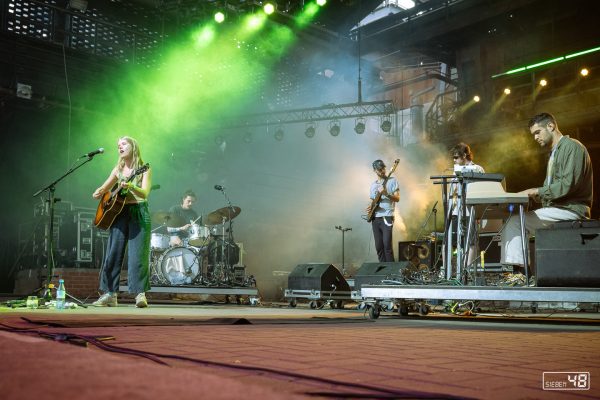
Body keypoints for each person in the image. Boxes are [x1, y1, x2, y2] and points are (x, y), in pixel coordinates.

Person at [501, 112, 593, 273]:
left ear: (550, 126)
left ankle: (520, 275)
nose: (535, 138)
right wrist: (531, 196)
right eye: (533, 135)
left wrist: (536, 191)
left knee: (515, 223)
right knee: (516, 221)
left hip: (571, 210)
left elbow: (568, 185)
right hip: (560, 209)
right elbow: (553, 190)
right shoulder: (554, 153)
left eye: (537, 132)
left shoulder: (572, 147)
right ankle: (522, 273)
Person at [91, 136, 152, 308]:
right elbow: (105, 187)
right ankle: (110, 294)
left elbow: (145, 193)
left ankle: (140, 294)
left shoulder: (144, 168)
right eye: (118, 145)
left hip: (138, 212)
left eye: (124, 144)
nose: (120, 147)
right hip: (119, 213)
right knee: (113, 253)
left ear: (133, 147)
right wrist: (99, 192)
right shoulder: (118, 168)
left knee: (138, 255)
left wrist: (132, 186)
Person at [366, 159, 400, 262]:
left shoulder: (392, 181)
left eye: (383, 168)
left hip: (387, 216)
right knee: (379, 247)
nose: (382, 171)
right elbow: (373, 200)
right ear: (374, 170)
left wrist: (386, 194)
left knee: (387, 245)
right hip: (376, 218)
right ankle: (383, 271)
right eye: (379, 169)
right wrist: (369, 207)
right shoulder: (373, 185)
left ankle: (391, 272)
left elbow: (397, 198)